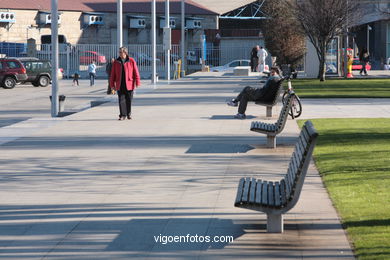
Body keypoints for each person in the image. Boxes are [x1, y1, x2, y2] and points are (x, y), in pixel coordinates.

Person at [110, 47, 141, 120]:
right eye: (119, 52)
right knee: (121, 100)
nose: (120, 53)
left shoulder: (131, 61)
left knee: (129, 100)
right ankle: (122, 115)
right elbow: (112, 74)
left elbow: (136, 72)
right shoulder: (116, 62)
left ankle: (128, 114)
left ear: (125, 53)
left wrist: (137, 82)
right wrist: (112, 85)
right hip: (120, 84)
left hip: (129, 84)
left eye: (121, 52)